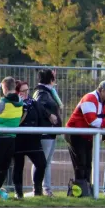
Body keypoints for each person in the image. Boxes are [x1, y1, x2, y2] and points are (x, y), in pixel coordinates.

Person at [65, 80, 105, 185]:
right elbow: (93, 121)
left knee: (88, 164)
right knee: (81, 164)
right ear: (103, 91)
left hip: (86, 135)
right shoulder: (89, 98)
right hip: (74, 134)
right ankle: (80, 190)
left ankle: (87, 189)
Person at [0, 77, 24, 198]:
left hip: (0, 137)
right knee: (4, 167)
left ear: (5, 88)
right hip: (12, 137)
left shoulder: (3, 102)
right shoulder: (21, 101)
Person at [12, 81, 48, 199]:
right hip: (18, 139)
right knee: (18, 166)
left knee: (41, 164)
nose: (26, 93)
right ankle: (18, 193)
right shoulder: (14, 104)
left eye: (27, 90)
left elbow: (42, 115)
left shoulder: (34, 103)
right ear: (17, 92)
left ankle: (37, 191)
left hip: (33, 139)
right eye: (23, 91)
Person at [32, 69, 62, 197]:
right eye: (54, 76)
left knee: (46, 162)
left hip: (50, 131)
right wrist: (49, 115)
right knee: (42, 162)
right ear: (50, 79)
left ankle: (45, 188)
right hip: (45, 132)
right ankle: (41, 188)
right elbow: (37, 105)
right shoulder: (42, 92)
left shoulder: (47, 92)